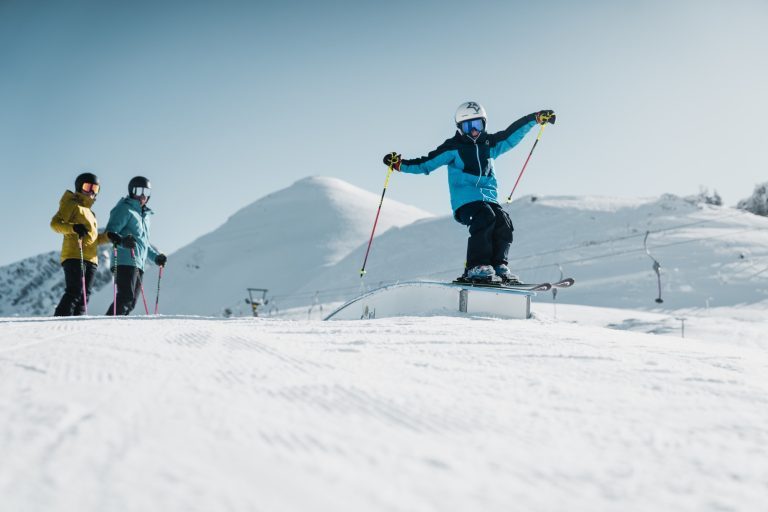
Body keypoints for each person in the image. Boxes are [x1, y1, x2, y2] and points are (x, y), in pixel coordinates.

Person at [383, 101, 555, 283]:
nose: (474, 131)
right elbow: (425, 164)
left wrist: (534, 119)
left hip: (489, 198)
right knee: (485, 216)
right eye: (468, 126)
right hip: (466, 200)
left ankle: (498, 265)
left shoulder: (490, 144)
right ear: (460, 128)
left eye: (477, 125)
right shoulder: (452, 147)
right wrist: (400, 165)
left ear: (484, 124)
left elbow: (512, 135)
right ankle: (476, 266)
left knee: (503, 221)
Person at [105, 176, 167, 315]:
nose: (143, 195)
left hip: (138, 263)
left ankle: (115, 328)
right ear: (132, 191)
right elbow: (111, 232)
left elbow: (143, 243)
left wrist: (156, 257)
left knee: (131, 302)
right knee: (125, 298)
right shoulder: (124, 209)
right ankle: (106, 325)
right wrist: (122, 241)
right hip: (124, 259)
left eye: (146, 192)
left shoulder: (144, 216)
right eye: (139, 191)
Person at [50, 172, 110, 316]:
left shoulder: (91, 214)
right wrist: (73, 228)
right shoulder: (71, 204)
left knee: (85, 296)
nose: (91, 192)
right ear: (79, 187)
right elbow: (55, 224)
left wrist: (109, 237)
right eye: (87, 187)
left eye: (95, 189)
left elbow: (94, 240)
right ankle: (58, 322)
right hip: (74, 255)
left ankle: (77, 325)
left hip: (91, 259)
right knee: (75, 291)